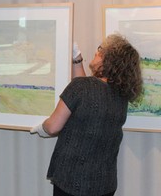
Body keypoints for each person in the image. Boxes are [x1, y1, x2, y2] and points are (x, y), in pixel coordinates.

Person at [30, 34, 143, 196]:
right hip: (105, 184)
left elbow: (53, 126)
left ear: (108, 59)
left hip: (72, 182)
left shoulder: (82, 87)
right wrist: (77, 59)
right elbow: (86, 95)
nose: (96, 53)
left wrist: (41, 127)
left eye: (100, 50)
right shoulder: (121, 96)